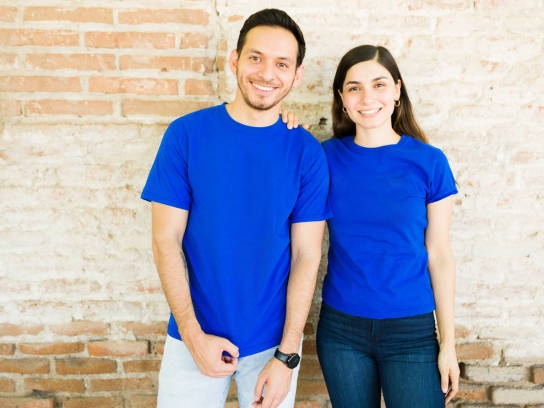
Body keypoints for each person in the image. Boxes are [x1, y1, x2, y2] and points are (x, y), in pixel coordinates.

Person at [140, 9, 331, 408]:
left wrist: (287, 355)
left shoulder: (307, 153)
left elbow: (306, 254)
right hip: (192, 335)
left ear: (296, 76)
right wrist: (193, 337)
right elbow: (166, 239)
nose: (266, 73)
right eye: (256, 58)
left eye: (282, 63)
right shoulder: (186, 135)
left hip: (272, 347)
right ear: (235, 60)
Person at [316, 45, 460, 407]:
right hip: (341, 331)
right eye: (354, 88)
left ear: (397, 90)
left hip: (411, 330)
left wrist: (448, 344)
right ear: (342, 98)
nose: (367, 98)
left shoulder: (429, 162)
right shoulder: (324, 157)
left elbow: (439, 255)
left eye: (379, 84)